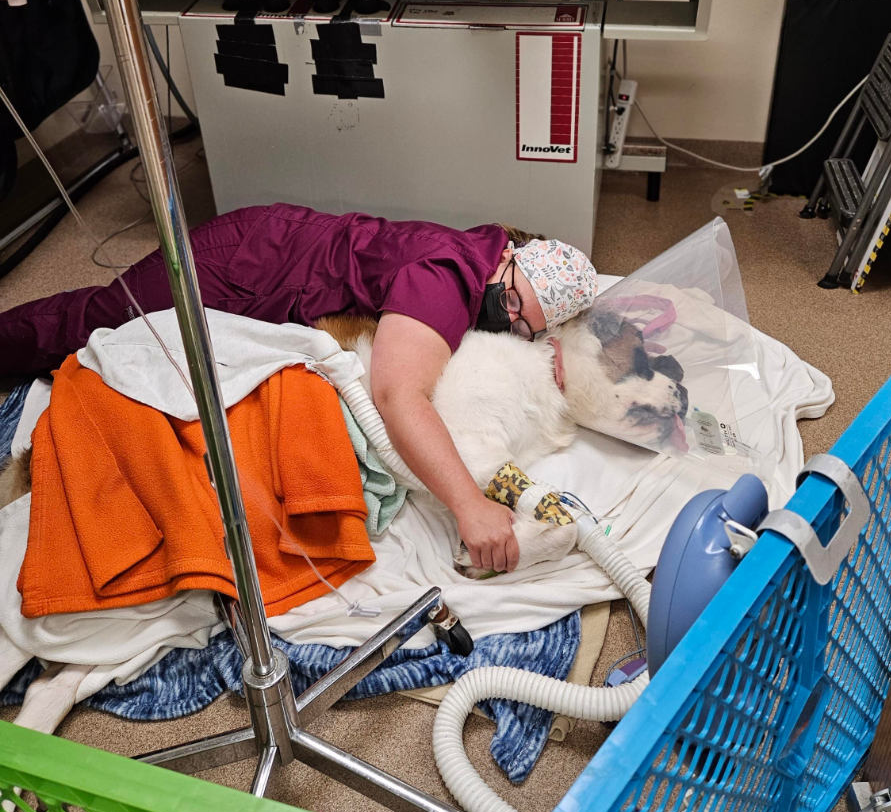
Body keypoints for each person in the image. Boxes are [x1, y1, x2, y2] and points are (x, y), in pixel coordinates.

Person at [0, 202, 598, 573]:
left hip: (276, 248)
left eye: (522, 323)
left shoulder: (489, 253)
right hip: (240, 269)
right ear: (514, 260)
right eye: (512, 299)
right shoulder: (443, 281)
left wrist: (546, 341)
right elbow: (398, 397)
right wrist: (469, 505)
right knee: (96, 322)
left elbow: (521, 307)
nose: (508, 317)